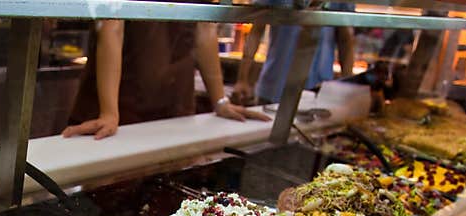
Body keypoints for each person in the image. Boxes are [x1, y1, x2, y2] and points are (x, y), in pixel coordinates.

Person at [62, 19, 269, 140]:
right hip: (124, 101)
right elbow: (112, 25)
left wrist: (220, 101)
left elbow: (205, 29)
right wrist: (109, 112)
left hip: (174, 106)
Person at [233, 1, 355, 106]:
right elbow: (256, 30)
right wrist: (242, 79)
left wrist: (347, 86)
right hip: (275, 86)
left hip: (318, 89)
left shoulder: (339, 3)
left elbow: (345, 40)